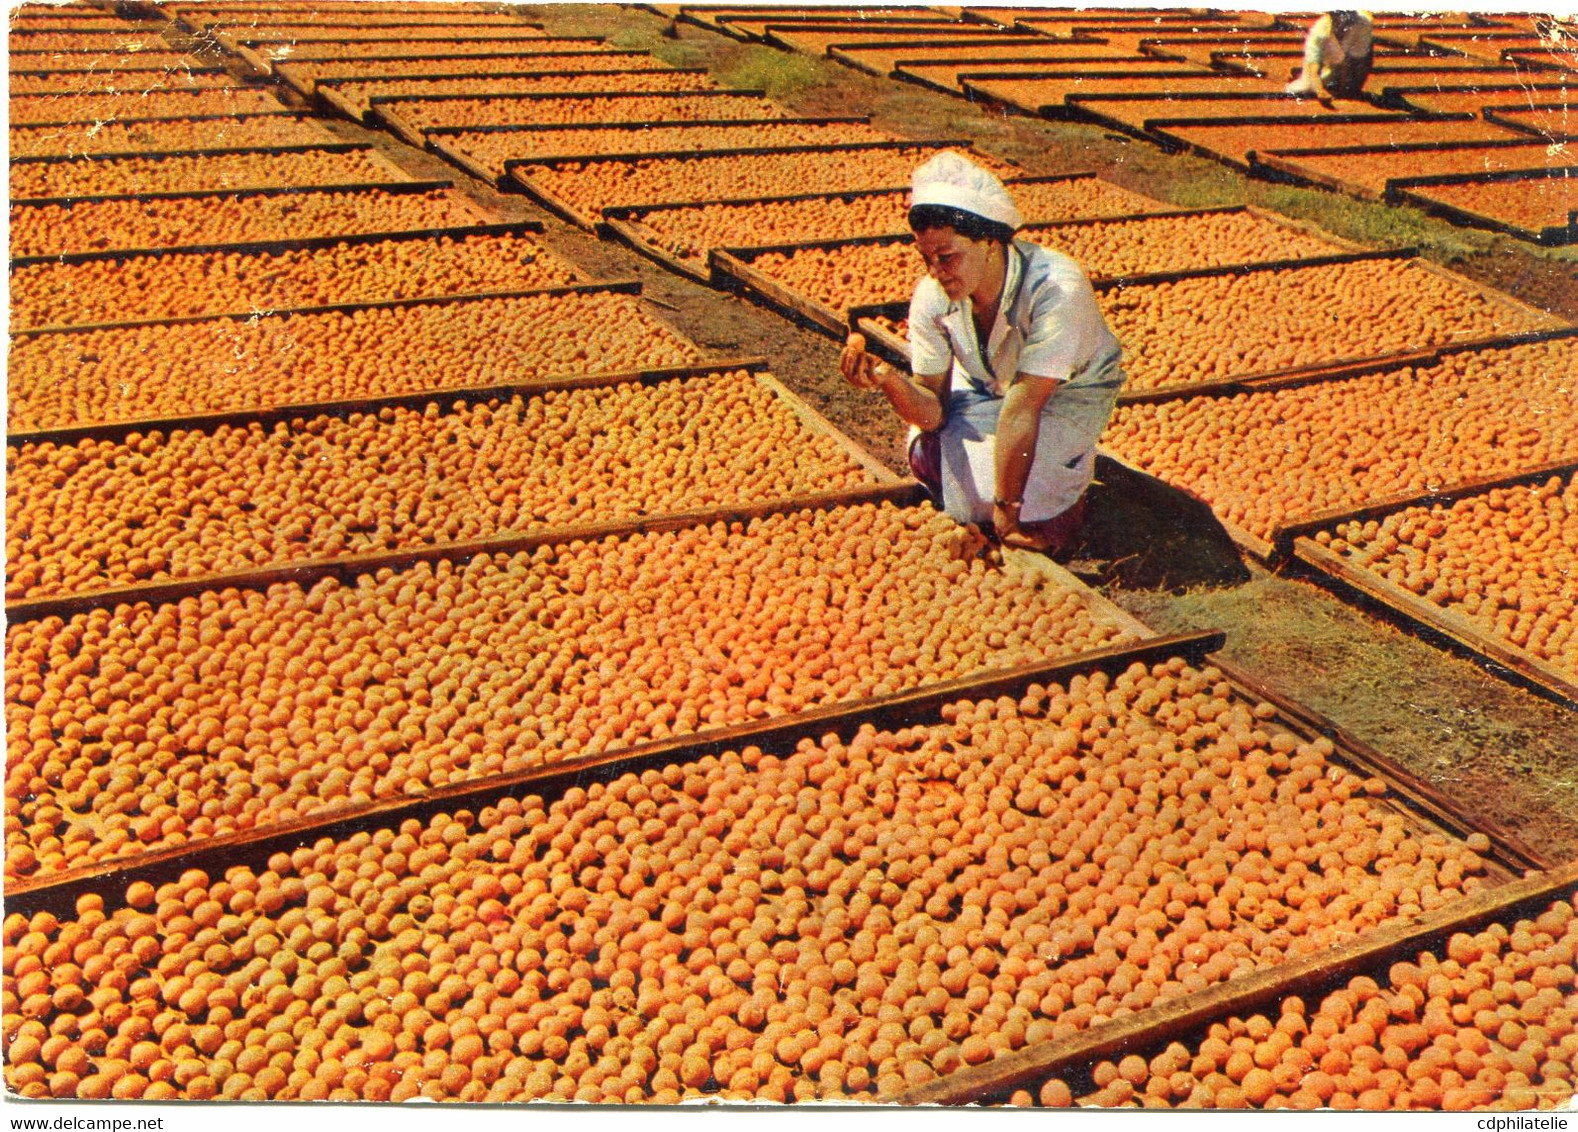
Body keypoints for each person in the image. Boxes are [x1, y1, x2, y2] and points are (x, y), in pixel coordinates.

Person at [839, 151, 1125, 556]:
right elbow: (933, 413)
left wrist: (1006, 516)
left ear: (989, 241)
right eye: (927, 259)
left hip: (1065, 396)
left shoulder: (1055, 288)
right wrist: (887, 378)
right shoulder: (933, 297)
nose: (936, 271)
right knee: (923, 449)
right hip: (993, 392)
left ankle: (1072, 487)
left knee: (999, 491)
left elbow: (1024, 407)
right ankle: (1040, 484)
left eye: (947, 257)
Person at [1286, 11, 1374, 105]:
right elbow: (1314, 67)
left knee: (1356, 73)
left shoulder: (1364, 23)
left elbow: (1358, 58)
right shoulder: (1319, 31)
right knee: (1306, 87)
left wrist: (1347, 89)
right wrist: (1320, 91)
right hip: (1326, 66)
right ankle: (1299, 74)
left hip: (1347, 64)